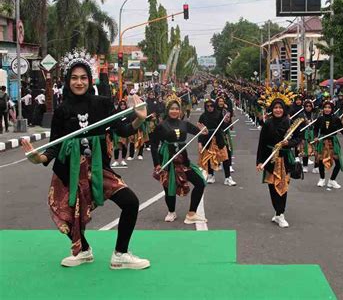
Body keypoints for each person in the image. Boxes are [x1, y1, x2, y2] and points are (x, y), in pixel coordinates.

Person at [21, 51, 150, 269]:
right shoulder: (62, 111)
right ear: (67, 80)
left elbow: (124, 131)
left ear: (90, 80)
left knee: (130, 202)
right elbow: (54, 146)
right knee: (67, 214)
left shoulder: (103, 104)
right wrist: (38, 157)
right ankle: (83, 250)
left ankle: (120, 254)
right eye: (74, 77)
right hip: (68, 171)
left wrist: (139, 119)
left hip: (98, 168)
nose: (79, 82)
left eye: (83, 78)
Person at [151, 93, 208, 223]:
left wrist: (204, 130)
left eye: (177, 109)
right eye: (172, 108)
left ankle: (192, 213)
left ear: (180, 110)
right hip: (167, 159)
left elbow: (200, 132)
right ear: (167, 110)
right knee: (169, 186)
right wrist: (157, 164)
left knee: (200, 183)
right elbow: (153, 145)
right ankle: (171, 211)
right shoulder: (161, 126)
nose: (174, 111)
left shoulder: (184, 124)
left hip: (183, 160)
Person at [256, 87, 301, 228]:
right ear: (272, 109)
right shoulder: (267, 124)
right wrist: (259, 161)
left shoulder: (289, 123)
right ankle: (277, 212)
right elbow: (261, 144)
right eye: (275, 107)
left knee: (283, 187)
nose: (278, 110)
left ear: (284, 109)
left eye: (280, 108)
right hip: (270, 159)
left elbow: (298, 138)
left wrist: (289, 143)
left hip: (285, 159)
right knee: (272, 187)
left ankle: (281, 214)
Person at [198, 99, 236, 186]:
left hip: (219, 138)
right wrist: (199, 143)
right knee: (209, 157)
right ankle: (211, 175)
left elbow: (223, 126)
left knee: (225, 157)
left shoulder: (219, 114)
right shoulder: (203, 116)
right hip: (207, 138)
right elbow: (200, 131)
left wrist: (226, 121)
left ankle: (228, 178)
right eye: (207, 106)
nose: (210, 108)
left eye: (211, 106)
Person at [314, 101, 343, 190]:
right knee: (321, 161)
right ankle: (322, 179)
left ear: (332, 109)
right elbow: (315, 129)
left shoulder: (336, 119)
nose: (327, 109)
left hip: (333, 141)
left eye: (329, 107)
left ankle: (332, 180)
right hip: (322, 141)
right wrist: (316, 137)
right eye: (325, 107)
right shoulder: (320, 119)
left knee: (338, 163)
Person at [298, 99, 318, 173]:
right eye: (306, 106)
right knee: (305, 151)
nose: (308, 107)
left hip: (314, 134)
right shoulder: (301, 115)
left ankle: (316, 167)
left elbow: (318, 125)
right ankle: (305, 166)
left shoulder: (316, 114)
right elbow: (298, 126)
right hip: (304, 134)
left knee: (316, 151)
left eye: (310, 106)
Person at [111, 100, 130, 167]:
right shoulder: (116, 113)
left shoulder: (128, 113)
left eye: (124, 104)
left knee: (124, 146)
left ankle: (123, 160)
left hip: (125, 132)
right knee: (116, 146)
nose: (122, 106)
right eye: (121, 104)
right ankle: (116, 161)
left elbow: (129, 122)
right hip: (117, 132)